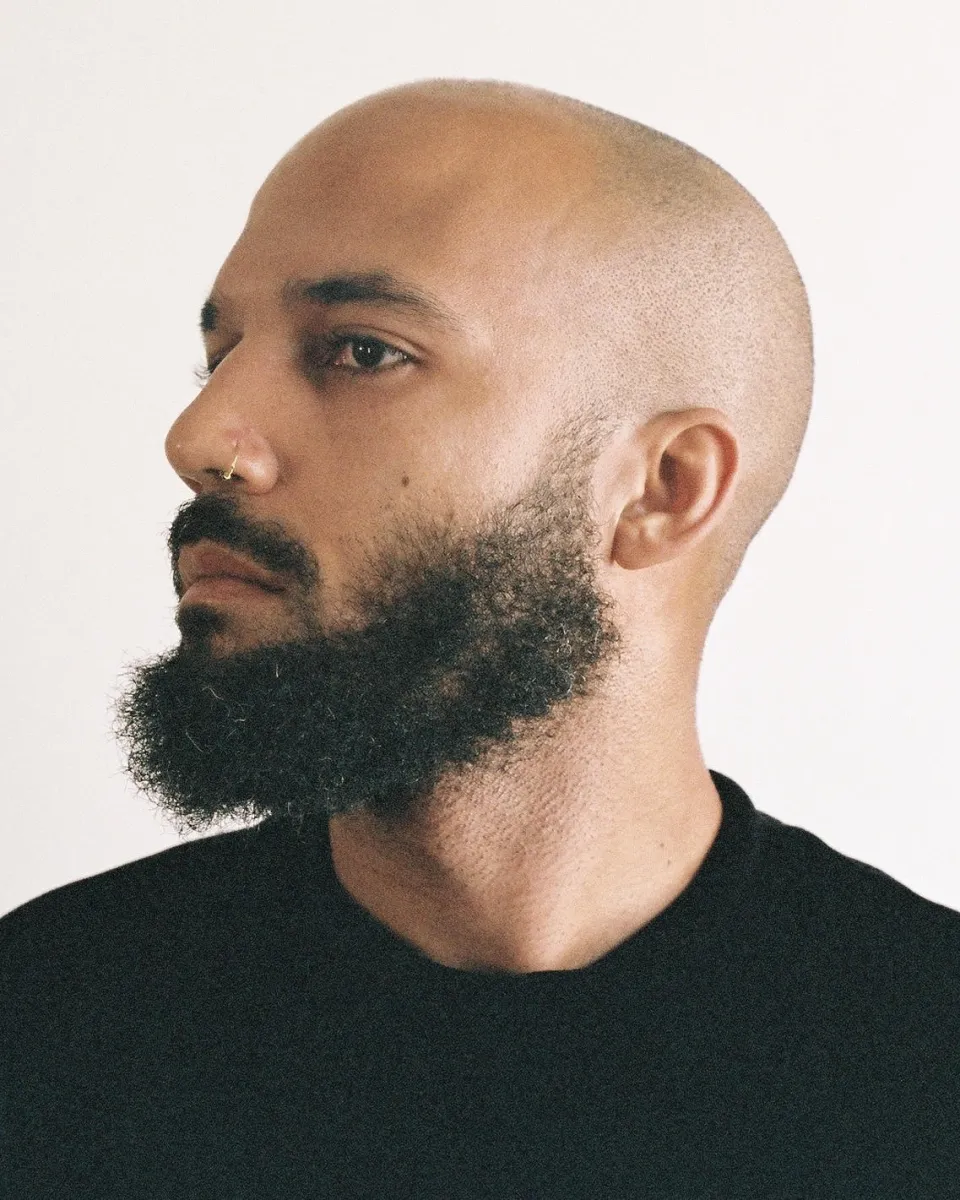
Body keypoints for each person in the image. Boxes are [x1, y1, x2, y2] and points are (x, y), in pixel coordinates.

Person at [2, 79, 957, 1199]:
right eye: (221, 354)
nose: (201, 437)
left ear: (661, 490)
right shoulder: (46, 1030)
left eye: (360, 352)